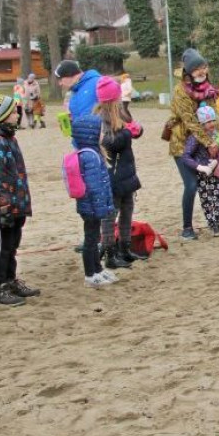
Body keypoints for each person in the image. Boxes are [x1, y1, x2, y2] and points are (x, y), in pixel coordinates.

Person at [168, 48, 219, 240]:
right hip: (183, 145)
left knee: (217, 178)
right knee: (191, 185)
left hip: (206, 144)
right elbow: (190, 122)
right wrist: (209, 142)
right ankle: (187, 228)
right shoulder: (180, 91)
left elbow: (214, 115)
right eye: (197, 68)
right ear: (188, 71)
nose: (202, 71)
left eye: (204, 67)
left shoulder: (207, 89)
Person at [0, 95, 39, 306]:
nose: (17, 115)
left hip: (16, 201)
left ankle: (10, 280)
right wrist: (3, 204)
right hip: (4, 204)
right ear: (1, 116)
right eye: (12, 112)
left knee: (12, 244)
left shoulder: (8, 138)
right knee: (2, 245)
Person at [97, 76, 146, 267]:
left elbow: (133, 129)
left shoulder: (121, 113)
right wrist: (126, 133)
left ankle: (125, 248)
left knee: (127, 210)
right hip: (113, 173)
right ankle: (110, 253)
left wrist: (136, 129)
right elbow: (108, 142)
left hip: (126, 171)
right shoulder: (102, 118)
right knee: (111, 215)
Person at [68, 111, 119, 287]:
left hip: (94, 206)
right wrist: (101, 208)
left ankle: (98, 269)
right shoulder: (89, 156)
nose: (103, 134)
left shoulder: (93, 153)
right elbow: (94, 186)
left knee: (95, 238)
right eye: (100, 131)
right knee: (90, 240)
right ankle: (90, 274)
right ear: (91, 134)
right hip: (91, 207)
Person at [180, 106, 219, 237]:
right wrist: (199, 167)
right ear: (201, 124)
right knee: (207, 200)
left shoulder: (215, 134)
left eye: (213, 120)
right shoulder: (195, 137)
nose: (211, 124)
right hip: (202, 175)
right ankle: (213, 225)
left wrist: (217, 161)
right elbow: (185, 156)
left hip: (215, 173)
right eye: (208, 122)